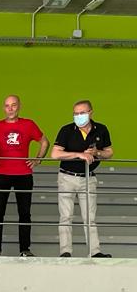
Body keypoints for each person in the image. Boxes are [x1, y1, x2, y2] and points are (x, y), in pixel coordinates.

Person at [0, 95, 47, 257]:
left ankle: (25, 249)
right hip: (0, 174)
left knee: (24, 213)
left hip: (24, 174)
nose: (10, 108)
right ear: (3, 108)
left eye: (13, 105)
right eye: (7, 105)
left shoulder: (28, 124)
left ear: (19, 106)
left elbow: (44, 141)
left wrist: (38, 159)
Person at [50, 99, 113, 258]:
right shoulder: (66, 130)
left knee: (90, 217)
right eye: (76, 113)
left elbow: (109, 152)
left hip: (88, 178)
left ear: (91, 112)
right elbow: (55, 154)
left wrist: (97, 153)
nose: (78, 116)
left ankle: (95, 252)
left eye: (82, 113)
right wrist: (79, 154)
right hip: (67, 177)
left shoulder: (101, 129)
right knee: (66, 216)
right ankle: (65, 251)